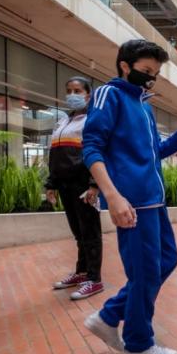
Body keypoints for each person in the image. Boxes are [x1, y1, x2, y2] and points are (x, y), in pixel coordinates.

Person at [81, 39, 177, 354]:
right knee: (146, 273)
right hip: (132, 203)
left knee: (165, 261)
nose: (151, 77)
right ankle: (138, 346)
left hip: (154, 202)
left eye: (156, 72)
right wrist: (113, 196)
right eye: (146, 70)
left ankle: (109, 316)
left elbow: (156, 152)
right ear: (125, 65)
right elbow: (92, 147)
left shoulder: (144, 105)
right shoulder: (109, 95)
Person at [48, 77, 104, 300]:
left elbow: (99, 153)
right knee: (79, 234)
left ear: (88, 95)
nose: (73, 94)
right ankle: (81, 273)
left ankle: (94, 279)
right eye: (69, 90)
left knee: (90, 233)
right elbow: (54, 156)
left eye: (78, 90)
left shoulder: (92, 121)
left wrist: (94, 185)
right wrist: (51, 184)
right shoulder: (62, 122)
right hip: (65, 186)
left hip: (84, 186)